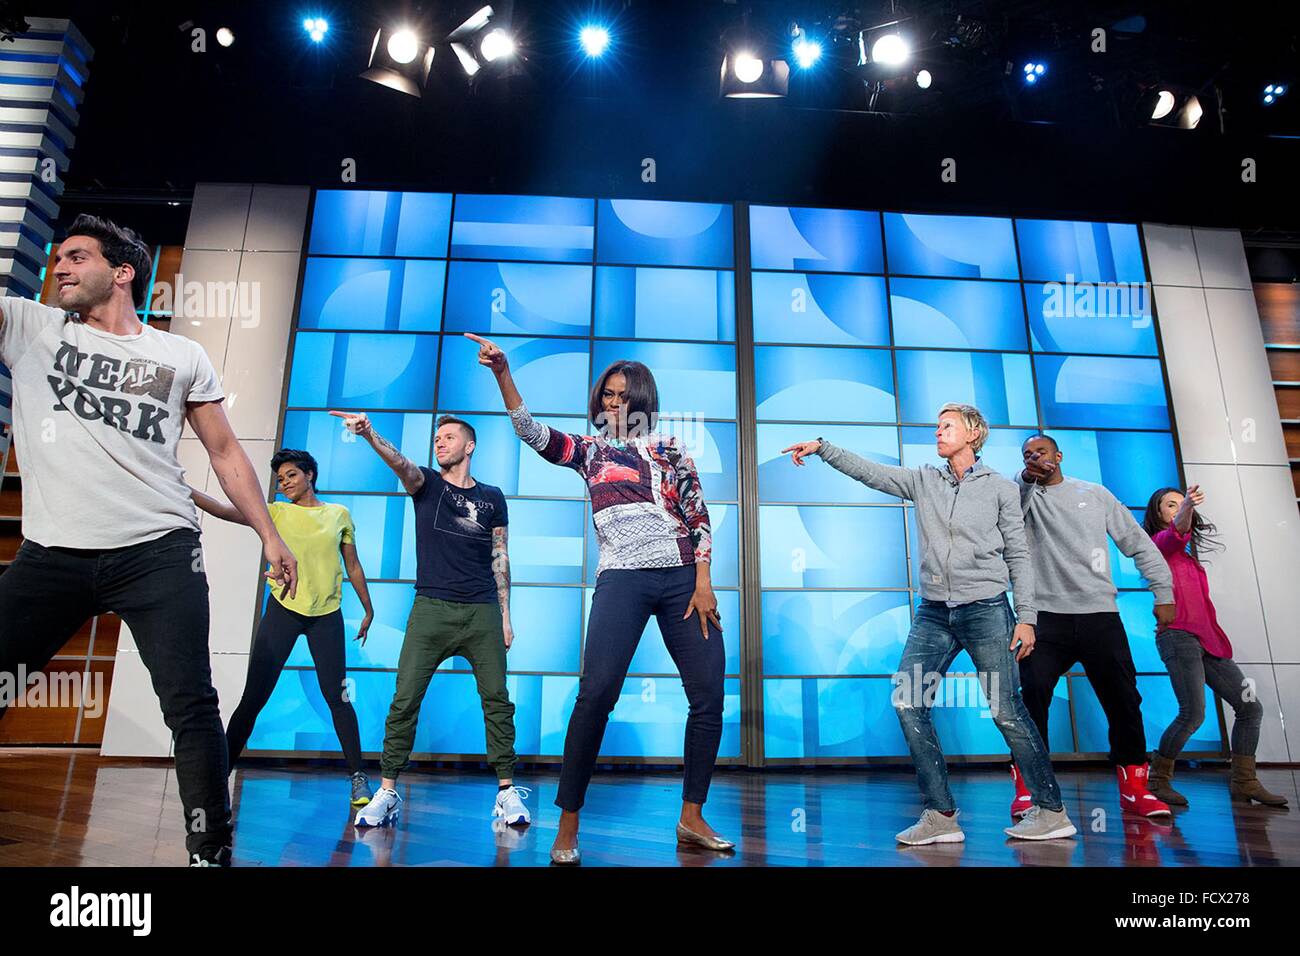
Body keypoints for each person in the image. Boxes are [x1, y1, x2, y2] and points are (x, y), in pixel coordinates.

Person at [0, 214, 298, 866]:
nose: (61, 268)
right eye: (58, 260)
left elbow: (225, 452)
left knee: (190, 703)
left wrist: (268, 536)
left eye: (77, 257)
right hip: (53, 553)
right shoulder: (31, 328)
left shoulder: (179, 354)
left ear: (123, 271)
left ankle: (209, 850)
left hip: (159, 551)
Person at [467, 332, 729, 865]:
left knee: (708, 695)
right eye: (607, 394)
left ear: (643, 401)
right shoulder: (589, 451)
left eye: (624, 394)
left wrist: (703, 580)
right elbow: (530, 432)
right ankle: (568, 823)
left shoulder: (671, 448)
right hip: (623, 580)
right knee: (596, 696)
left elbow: (698, 514)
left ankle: (691, 815)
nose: (614, 402)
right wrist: (502, 373)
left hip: (683, 578)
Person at [784, 404, 1077, 845]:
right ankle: (940, 815)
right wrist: (825, 448)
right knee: (909, 701)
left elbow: (1019, 555)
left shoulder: (998, 487)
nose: (938, 433)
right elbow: (872, 473)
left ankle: (1051, 811)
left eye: (947, 426)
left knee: (1007, 710)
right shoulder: (924, 479)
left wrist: (1028, 618)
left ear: (973, 433)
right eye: (937, 426)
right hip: (935, 612)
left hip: (987, 609)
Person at [333, 411, 532, 829]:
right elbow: (400, 462)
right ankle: (387, 792)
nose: (439, 443)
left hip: (482, 611)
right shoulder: (427, 484)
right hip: (431, 609)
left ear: (469, 445)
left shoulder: (493, 497)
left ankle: (506, 792)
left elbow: (501, 557)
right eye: (436, 438)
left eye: (448, 437)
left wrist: (506, 617)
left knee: (498, 702)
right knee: (404, 700)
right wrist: (369, 433)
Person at [191, 448, 374, 807]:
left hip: (326, 614)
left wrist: (368, 609)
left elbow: (352, 565)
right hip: (283, 611)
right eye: (280, 478)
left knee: (338, 697)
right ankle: (220, 777)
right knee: (253, 699)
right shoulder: (274, 512)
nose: (284, 482)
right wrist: (188, 491)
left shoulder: (339, 515)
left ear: (309, 475)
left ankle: (358, 778)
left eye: (291, 475)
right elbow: (225, 510)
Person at [1012, 435, 1173, 818]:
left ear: (1059, 456)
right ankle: (1032, 788)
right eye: (1028, 454)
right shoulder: (1021, 495)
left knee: (1124, 701)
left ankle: (1134, 788)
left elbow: (1136, 541)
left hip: (1099, 615)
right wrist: (1026, 479)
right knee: (1031, 698)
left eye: (1042, 452)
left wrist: (1162, 590)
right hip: (1044, 618)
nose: (1036, 458)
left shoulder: (1095, 494)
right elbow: (1008, 522)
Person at [1142, 485, 1287, 808]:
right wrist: (1187, 507)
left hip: (1208, 640)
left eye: (1182, 503)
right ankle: (1158, 779)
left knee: (1250, 707)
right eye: (1171, 505)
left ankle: (1244, 782)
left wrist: (1186, 509)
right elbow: (1177, 531)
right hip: (1178, 636)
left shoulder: (1189, 559)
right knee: (1192, 713)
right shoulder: (1158, 546)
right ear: (1158, 515)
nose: (1179, 508)